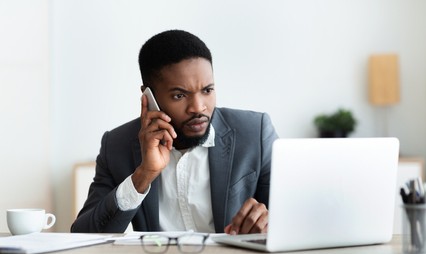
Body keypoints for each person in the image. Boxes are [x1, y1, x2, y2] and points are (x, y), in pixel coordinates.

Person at [71, 30, 278, 235]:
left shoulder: (254, 133)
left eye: (207, 90)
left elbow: (294, 216)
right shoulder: (117, 145)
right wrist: (143, 175)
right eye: (179, 95)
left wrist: (269, 222)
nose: (198, 107)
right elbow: (83, 234)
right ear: (148, 96)